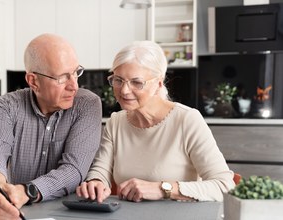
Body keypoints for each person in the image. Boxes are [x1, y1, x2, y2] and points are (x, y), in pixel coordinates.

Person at [76, 41, 235, 203]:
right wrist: (95, 182)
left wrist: (163, 188)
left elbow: (224, 186)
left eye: (137, 82)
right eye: (118, 80)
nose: (124, 90)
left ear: (159, 83)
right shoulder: (116, 122)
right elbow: (101, 170)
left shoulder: (187, 120)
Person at [0, 33, 102, 219]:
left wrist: (25, 191)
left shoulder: (87, 104)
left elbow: (73, 169)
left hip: (70, 214)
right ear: (33, 81)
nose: (74, 85)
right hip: (17, 212)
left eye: (76, 72)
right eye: (62, 77)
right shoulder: (5, 106)